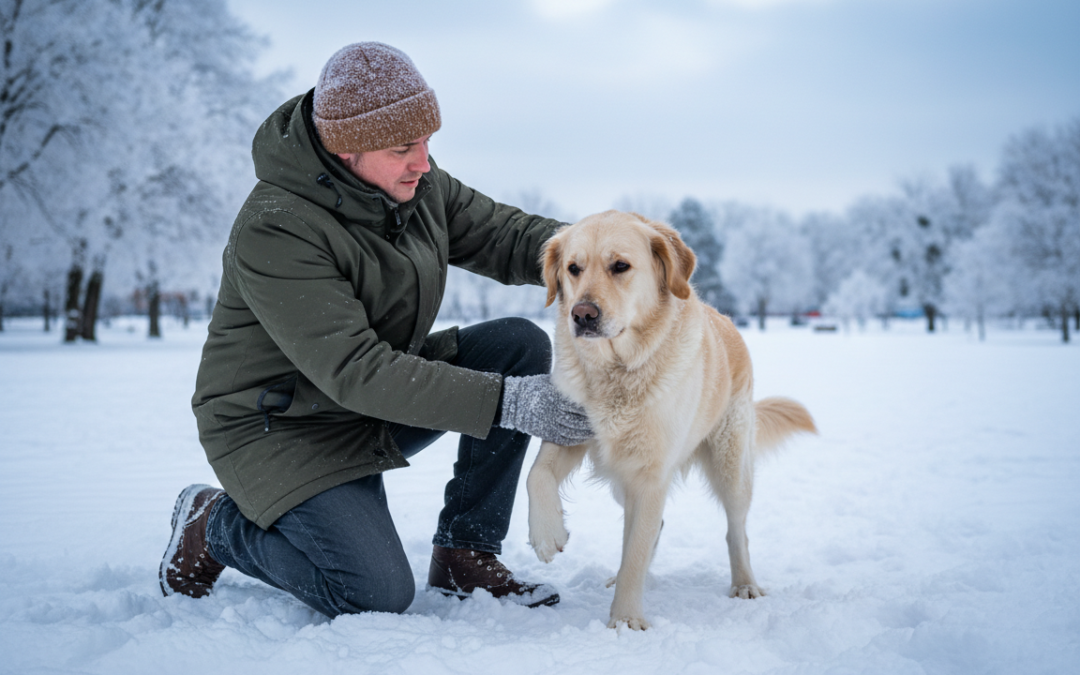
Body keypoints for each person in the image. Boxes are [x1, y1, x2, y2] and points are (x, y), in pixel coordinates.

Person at [159, 42, 592, 618]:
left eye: (427, 142)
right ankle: (213, 524)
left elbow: (505, 236)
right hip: (281, 428)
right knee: (372, 593)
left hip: (368, 402)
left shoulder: (418, 184)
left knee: (517, 345)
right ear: (345, 148)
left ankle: (466, 551)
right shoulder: (278, 228)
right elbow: (355, 369)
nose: (423, 161)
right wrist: (509, 403)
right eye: (403, 147)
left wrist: (605, 254)